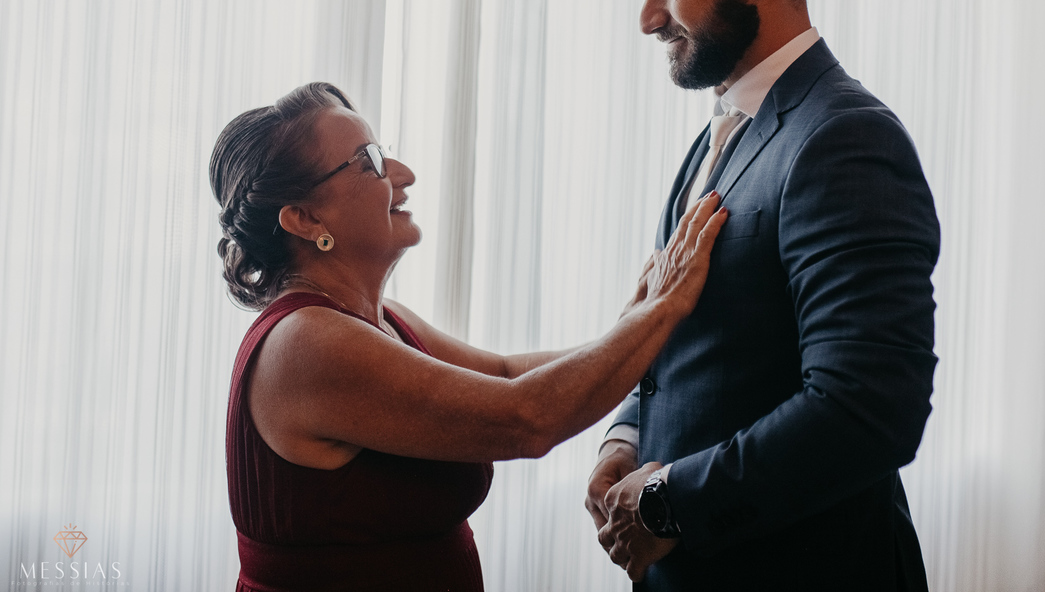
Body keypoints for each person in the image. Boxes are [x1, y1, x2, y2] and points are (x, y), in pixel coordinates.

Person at [584, 0, 940, 591]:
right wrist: (626, 436)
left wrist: (665, 502)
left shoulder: (846, 138)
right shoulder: (722, 133)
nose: (648, 17)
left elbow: (869, 409)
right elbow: (685, 340)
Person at [209, 81, 728, 592]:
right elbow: (526, 417)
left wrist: (640, 324)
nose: (403, 174)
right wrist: (662, 310)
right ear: (304, 218)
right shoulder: (308, 343)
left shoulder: (380, 319)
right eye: (370, 161)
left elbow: (506, 373)